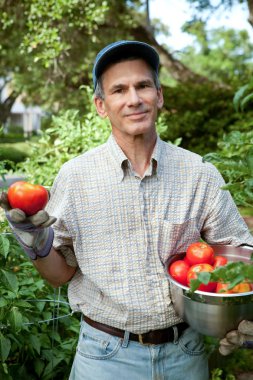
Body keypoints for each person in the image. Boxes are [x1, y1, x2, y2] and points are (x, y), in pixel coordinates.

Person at [1, 40, 253, 380]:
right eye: (119, 90)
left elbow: (238, 257)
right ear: (101, 106)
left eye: (143, 85)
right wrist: (36, 242)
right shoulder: (75, 178)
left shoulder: (200, 175)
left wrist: (242, 313)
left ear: (159, 96)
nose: (133, 99)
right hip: (104, 357)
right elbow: (59, 275)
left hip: (187, 355)